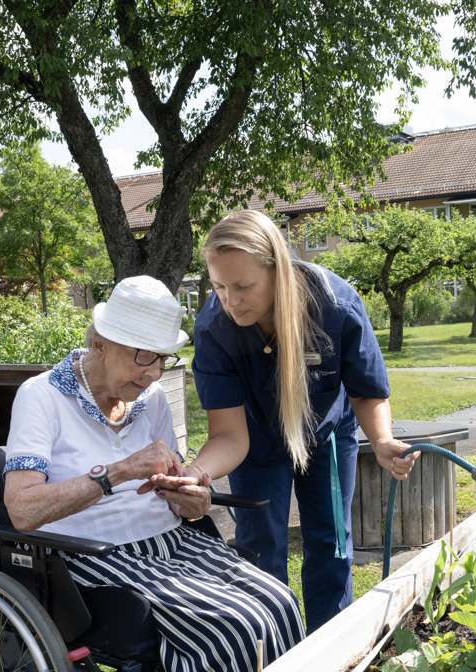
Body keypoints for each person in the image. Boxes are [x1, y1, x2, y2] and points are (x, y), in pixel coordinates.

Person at [1, 276, 305, 672]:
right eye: (143, 356)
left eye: (162, 358)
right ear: (100, 344)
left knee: (279, 602)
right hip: (95, 556)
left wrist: (190, 497)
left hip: (172, 541)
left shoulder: (152, 397)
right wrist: (119, 471)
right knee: (238, 625)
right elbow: (22, 509)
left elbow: (174, 489)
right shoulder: (42, 396)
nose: (154, 372)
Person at [175, 210, 416, 635]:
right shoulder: (214, 328)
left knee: (331, 543)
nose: (230, 300)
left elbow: (365, 390)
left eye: (243, 286)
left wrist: (381, 440)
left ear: (278, 271)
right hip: (256, 442)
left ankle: (332, 646)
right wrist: (196, 472)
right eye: (218, 286)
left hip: (327, 434)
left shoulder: (335, 306)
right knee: (260, 550)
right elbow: (228, 435)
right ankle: (273, 652)